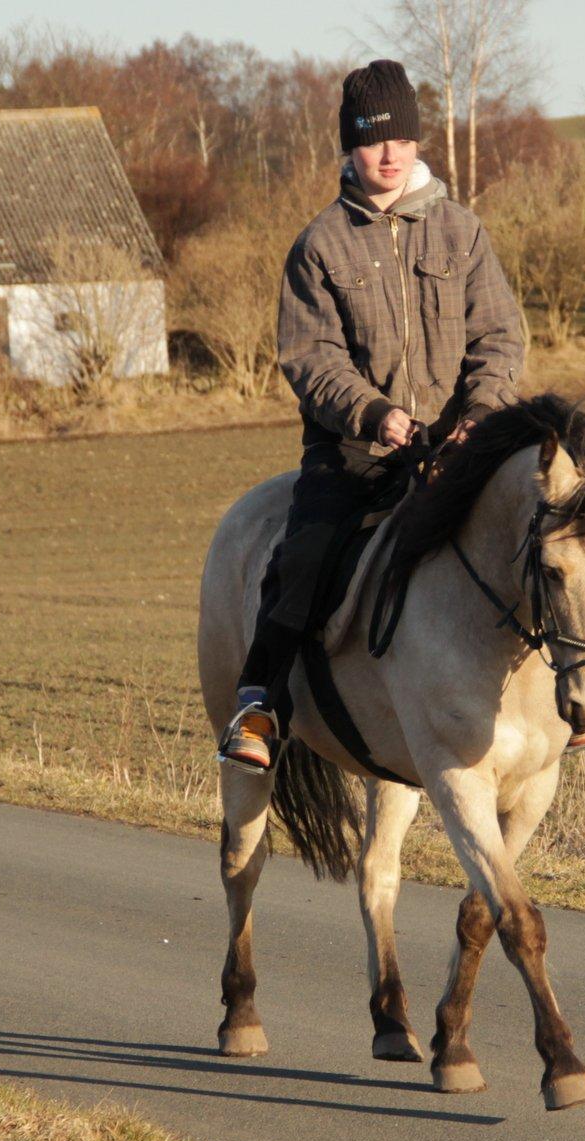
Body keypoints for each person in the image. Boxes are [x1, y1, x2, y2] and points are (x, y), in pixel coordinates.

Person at [220, 58, 523, 771]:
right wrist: (374, 414)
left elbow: (501, 338)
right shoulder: (320, 244)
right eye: (372, 140)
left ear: (418, 141)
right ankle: (261, 704)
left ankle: (577, 690)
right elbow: (308, 357)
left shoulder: (462, 232)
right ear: (349, 147)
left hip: (459, 447)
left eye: (401, 139)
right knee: (305, 556)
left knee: (547, 531)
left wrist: (479, 417)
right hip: (356, 452)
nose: (390, 153)